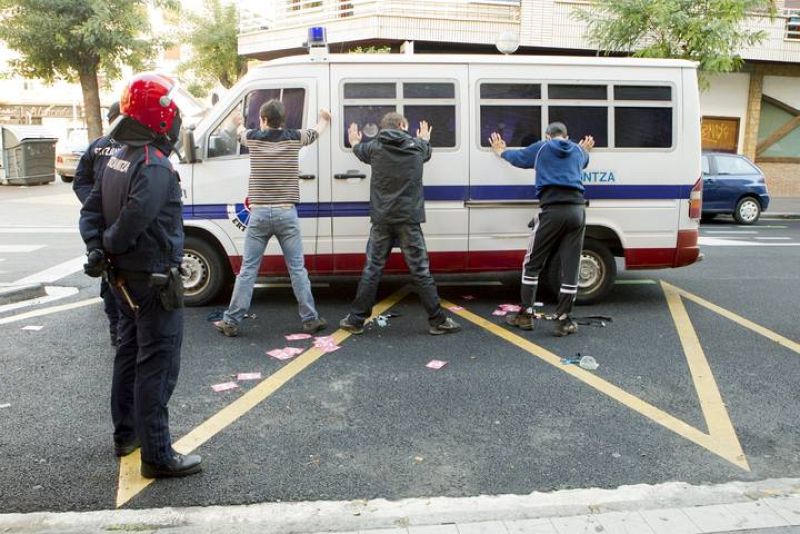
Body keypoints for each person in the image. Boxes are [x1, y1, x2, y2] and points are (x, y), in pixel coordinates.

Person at [80, 72, 202, 478]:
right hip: (152, 280)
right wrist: (109, 245)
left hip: (124, 280)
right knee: (157, 364)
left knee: (130, 355)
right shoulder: (153, 165)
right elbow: (133, 220)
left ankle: (127, 435)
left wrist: (99, 247)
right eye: (173, 108)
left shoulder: (119, 156)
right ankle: (158, 455)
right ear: (159, 116)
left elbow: (91, 210)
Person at [213, 100, 331, 337]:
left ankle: (232, 321)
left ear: (263, 119)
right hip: (286, 212)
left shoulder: (253, 138)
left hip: (258, 214)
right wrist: (324, 119)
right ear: (283, 119)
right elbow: (315, 132)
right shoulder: (293, 137)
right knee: (297, 269)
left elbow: (238, 132)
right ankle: (310, 319)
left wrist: (239, 121)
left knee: (248, 269)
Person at [339, 112, 461, 336]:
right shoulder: (417, 147)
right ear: (403, 125)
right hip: (408, 219)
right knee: (420, 270)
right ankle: (437, 320)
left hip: (382, 219)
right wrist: (424, 137)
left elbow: (358, 149)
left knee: (372, 269)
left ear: (383, 128)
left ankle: (356, 320)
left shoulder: (374, 148)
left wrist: (355, 140)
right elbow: (427, 149)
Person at [489, 121, 594, 337]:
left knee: (532, 263)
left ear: (547, 136)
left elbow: (517, 159)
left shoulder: (541, 148)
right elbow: (583, 159)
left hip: (552, 211)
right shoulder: (577, 151)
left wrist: (501, 151)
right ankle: (564, 320)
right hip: (577, 211)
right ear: (566, 136)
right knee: (571, 267)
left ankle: (526, 315)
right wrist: (584, 149)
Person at [73, 102, 122, 346]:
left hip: (123, 222)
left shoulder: (132, 148)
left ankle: (123, 329)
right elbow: (80, 181)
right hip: (103, 224)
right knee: (109, 279)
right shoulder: (98, 147)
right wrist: (95, 202)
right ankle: (117, 329)